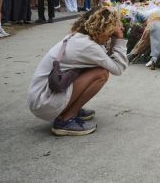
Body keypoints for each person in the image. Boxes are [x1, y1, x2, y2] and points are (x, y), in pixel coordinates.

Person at [27, 7, 128, 136]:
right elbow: (118, 69)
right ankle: (66, 119)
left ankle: (67, 109)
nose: (111, 34)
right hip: (43, 102)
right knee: (101, 74)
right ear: (103, 28)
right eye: (111, 30)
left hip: (39, 97)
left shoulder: (79, 37)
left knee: (94, 68)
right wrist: (119, 39)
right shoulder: (88, 46)